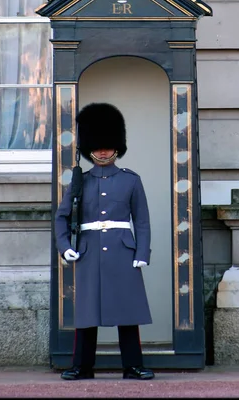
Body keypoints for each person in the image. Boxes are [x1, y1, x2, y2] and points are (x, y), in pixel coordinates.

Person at [55, 102, 154, 381]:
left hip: (123, 251)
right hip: (88, 251)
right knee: (86, 314)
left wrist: (142, 251)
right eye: (97, 145)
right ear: (89, 147)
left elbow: (142, 220)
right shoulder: (80, 182)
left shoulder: (131, 181)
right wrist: (66, 247)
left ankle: (132, 365)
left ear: (116, 147)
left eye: (107, 145)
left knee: (127, 311)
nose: (102, 150)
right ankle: (82, 366)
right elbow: (61, 218)